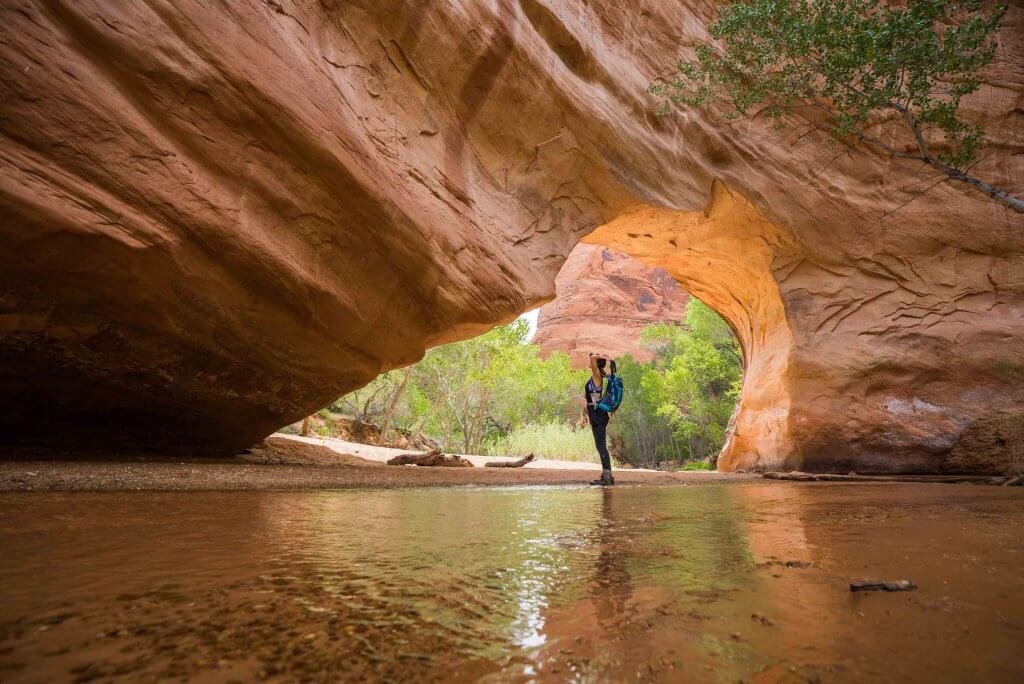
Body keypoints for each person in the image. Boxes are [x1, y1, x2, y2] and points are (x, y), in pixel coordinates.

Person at [586, 353, 615, 486]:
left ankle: (607, 478)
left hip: (598, 414)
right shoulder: (598, 377)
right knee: (600, 446)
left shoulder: (597, 376)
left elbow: (592, 359)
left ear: (596, 366)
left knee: (601, 446)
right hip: (597, 413)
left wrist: (596, 355)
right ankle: (607, 475)